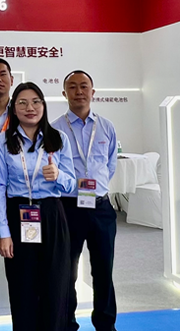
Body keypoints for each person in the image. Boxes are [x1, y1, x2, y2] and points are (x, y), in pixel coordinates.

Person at [0, 82, 75, 331]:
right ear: (13, 108)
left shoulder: (58, 139)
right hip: (18, 215)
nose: (30, 107)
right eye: (23, 102)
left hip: (51, 215)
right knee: (22, 287)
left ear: (43, 105)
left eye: (36, 101)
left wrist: (58, 175)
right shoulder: (3, 141)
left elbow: (71, 184)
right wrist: (3, 233)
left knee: (55, 286)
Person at [52, 71, 119, 331]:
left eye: (84, 86)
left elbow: (110, 165)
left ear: (93, 92)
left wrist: (95, 188)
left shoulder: (106, 126)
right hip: (68, 207)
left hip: (101, 207)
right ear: (64, 93)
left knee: (103, 270)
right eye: (72, 87)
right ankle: (67, 324)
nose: (79, 91)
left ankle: (105, 324)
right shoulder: (55, 129)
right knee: (66, 271)